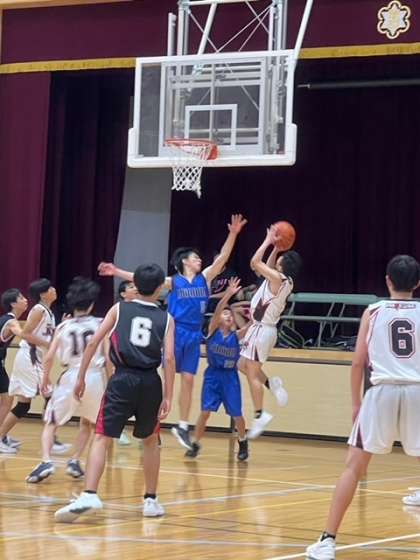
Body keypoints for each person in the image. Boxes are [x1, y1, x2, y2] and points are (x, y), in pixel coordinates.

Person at [97, 214, 247, 450]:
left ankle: (183, 426)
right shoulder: (173, 281)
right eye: (195, 258)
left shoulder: (205, 278)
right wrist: (116, 271)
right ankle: (149, 422)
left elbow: (223, 257)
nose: (200, 260)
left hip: (194, 334)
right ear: (185, 262)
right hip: (175, 331)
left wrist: (233, 233)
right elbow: (141, 278)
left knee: (188, 379)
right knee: (163, 375)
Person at [306, 255, 420, 560]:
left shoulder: (373, 311)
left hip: (381, 391)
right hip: (417, 391)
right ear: (418, 284)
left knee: (353, 467)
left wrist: (356, 402)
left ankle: (327, 541)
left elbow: (358, 362)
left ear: (388, 281)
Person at [54, 263, 175, 522]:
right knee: (151, 441)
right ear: (160, 289)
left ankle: (89, 493)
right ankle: (150, 500)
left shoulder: (119, 309)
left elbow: (93, 342)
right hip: (150, 382)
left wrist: (81, 377)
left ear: (136, 285)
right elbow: (169, 358)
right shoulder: (167, 318)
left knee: (102, 437)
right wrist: (168, 395)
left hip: (121, 379)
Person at [26, 277, 112, 483]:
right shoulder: (101, 324)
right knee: (88, 423)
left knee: (51, 422)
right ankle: (75, 460)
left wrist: (45, 378)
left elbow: (48, 357)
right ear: (91, 304)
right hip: (95, 377)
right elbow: (109, 358)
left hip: (70, 375)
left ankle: (46, 461)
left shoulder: (63, 326)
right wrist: (110, 382)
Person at [239, 226, 302, 439]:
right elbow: (267, 265)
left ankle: (260, 415)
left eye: (279, 259)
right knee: (241, 365)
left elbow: (255, 263)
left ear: (282, 266)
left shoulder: (277, 279)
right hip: (260, 329)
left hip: (261, 330)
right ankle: (271, 384)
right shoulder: (284, 280)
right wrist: (276, 248)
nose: (276, 261)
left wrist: (267, 240)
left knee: (251, 372)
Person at [186, 277, 249, 462]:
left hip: (230, 377)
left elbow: (253, 325)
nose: (228, 316)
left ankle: (243, 441)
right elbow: (219, 310)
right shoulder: (212, 331)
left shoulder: (236, 336)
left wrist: (260, 316)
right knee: (205, 412)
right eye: (225, 314)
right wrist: (228, 295)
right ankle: (195, 443)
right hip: (213, 376)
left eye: (230, 314)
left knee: (237, 414)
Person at [0, 279, 57, 452]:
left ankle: (2, 436)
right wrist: (49, 345)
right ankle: (52, 440)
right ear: (42, 293)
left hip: (29, 358)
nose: (54, 289)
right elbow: (25, 334)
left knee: (22, 404)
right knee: (50, 397)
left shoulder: (48, 312)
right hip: (29, 358)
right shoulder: (36, 311)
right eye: (50, 288)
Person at [0, 289, 28, 452]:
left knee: (7, 399)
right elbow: (23, 334)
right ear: (13, 303)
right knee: (7, 400)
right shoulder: (11, 322)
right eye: (21, 298)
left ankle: (2, 436)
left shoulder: (7, 319)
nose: (25, 300)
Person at [117, 279, 138, 446]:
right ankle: (119, 430)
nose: (135, 288)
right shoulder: (118, 310)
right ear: (123, 294)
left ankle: (148, 433)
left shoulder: (141, 308)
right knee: (122, 398)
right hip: (122, 361)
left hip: (138, 360)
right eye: (131, 287)